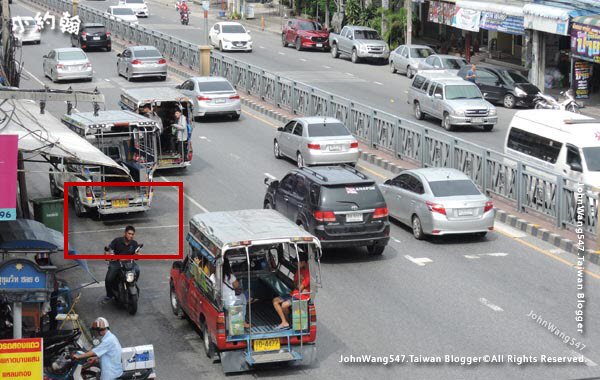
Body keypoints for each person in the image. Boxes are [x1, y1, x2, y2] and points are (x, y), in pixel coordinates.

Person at [272, 249, 310, 329]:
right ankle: (285, 322)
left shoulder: (308, 274)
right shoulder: (299, 271)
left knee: (284, 305)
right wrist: (299, 282)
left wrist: (299, 282)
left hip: (301, 296)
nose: (296, 263)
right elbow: (295, 284)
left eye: (298, 262)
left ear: (303, 262)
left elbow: (299, 288)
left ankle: (289, 321)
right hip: (294, 294)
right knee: (275, 301)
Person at [103, 226, 141, 303]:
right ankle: (109, 295)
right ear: (125, 233)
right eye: (129, 233)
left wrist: (138, 255)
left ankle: (132, 283)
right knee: (108, 279)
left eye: (132, 234)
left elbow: (136, 254)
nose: (131, 236)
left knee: (137, 269)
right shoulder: (117, 241)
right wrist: (107, 254)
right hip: (117, 262)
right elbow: (108, 249)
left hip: (129, 263)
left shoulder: (134, 243)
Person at [222, 257, 250, 329]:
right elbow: (237, 286)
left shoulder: (215, 276)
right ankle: (243, 322)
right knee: (243, 297)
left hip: (222, 302)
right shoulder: (230, 276)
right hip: (230, 303)